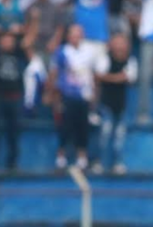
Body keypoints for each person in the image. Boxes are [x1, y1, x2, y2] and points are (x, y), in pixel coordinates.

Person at [51, 23, 95, 170]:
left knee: (83, 127)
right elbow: (55, 73)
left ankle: (82, 157)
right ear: (68, 36)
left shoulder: (88, 52)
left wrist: (93, 95)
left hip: (84, 95)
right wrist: (55, 96)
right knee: (65, 126)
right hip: (67, 95)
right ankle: (61, 156)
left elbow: (92, 75)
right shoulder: (62, 51)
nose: (76, 37)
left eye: (78, 34)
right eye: (73, 34)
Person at [93, 31, 137, 173]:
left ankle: (118, 163)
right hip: (106, 103)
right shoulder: (104, 59)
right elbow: (98, 76)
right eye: (116, 43)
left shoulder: (131, 61)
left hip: (122, 104)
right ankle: (99, 162)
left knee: (119, 136)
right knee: (104, 133)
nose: (119, 47)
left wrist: (109, 77)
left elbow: (130, 79)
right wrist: (118, 77)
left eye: (122, 43)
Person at [0, 31, 26, 171]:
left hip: (15, 97)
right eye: (4, 40)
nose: (7, 43)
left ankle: (12, 163)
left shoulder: (19, 54)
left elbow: (28, 41)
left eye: (10, 40)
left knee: (14, 132)